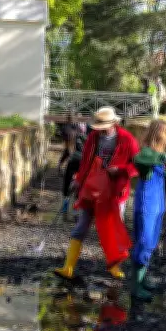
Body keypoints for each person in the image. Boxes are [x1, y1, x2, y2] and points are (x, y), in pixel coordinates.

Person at [54, 106, 140, 281]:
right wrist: (78, 180)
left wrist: (121, 170)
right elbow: (86, 161)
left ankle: (114, 267)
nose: (99, 130)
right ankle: (68, 267)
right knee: (81, 225)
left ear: (113, 123)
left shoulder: (127, 139)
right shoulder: (93, 137)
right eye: (97, 126)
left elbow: (136, 166)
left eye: (102, 126)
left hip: (114, 192)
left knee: (113, 229)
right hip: (91, 189)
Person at [130, 120, 166, 301]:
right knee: (144, 242)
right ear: (160, 135)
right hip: (147, 205)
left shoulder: (156, 153)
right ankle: (135, 286)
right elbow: (139, 160)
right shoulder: (147, 151)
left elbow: (156, 166)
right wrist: (160, 159)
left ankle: (143, 280)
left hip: (157, 204)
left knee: (152, 242)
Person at [59, 113, 86, 218]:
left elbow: (66, 152)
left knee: (67, 186)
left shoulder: (72, 137)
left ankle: (67, 207)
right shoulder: (83, 137)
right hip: (81, 165)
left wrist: (60, 164)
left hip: (76, 164)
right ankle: (75, 208)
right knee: (78, 187)